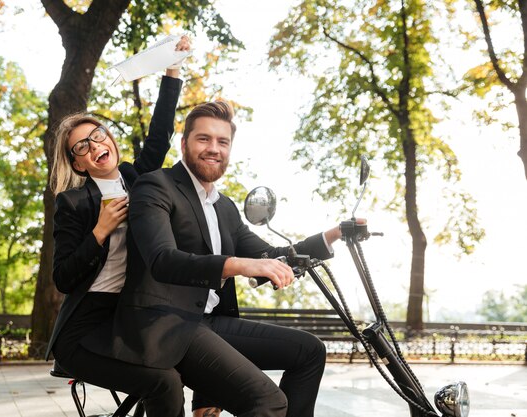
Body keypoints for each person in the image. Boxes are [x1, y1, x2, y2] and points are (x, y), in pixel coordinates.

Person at [110, 100, 354, 417]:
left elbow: (272, 256)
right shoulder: (156, 186)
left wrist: (336, 233)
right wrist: (238, 265)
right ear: (184, 144)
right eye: (204, 139)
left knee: (309, 351)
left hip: (210, 323)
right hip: (165, 325)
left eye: (222, 142)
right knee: (266, 401)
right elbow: (162, 260)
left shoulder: (224, 207)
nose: (214, 148)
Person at [45, 36, 191, 417]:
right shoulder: (73, 203)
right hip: (84, 329)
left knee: (184, 364)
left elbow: (159, 136)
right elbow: (62, 278)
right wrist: (100, 230)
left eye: (98, 136)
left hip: (130, 318)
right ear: (79, 164)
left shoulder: (137, 179)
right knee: (163, 383)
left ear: (109, 139)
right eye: (82, 147)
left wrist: (172, 68)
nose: (94, 145)